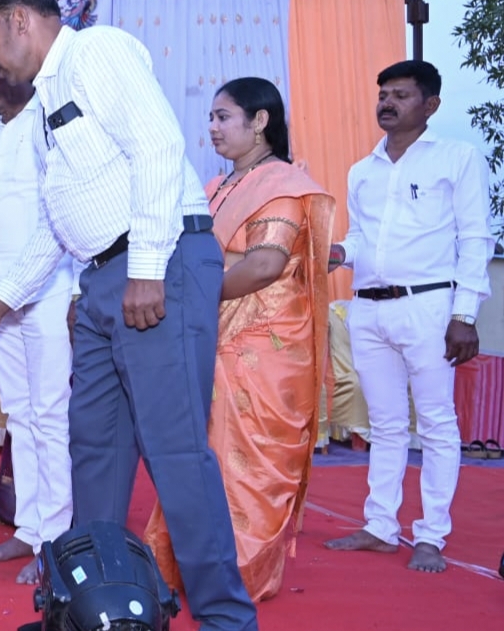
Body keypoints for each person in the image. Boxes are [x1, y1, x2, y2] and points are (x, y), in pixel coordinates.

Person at [0, 0, 258, 630]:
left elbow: (158, 147)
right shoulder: (42, 103)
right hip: (98, 280)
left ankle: (226, 618)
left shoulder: (96, 52)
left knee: (176, 452)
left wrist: (146, 269)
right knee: (94, 450)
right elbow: (54, 222)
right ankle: (93, 608)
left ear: (19, 21)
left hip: (158, 264)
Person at [144, 77, 334, 601]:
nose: (212, 127)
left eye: (223, 117)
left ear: (260, 121)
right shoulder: (213, 186)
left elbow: (266, 264)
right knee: (200, 452)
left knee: (249, 461)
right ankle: (189, 567)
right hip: (211, 331)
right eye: (210, 117)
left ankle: (237, 576)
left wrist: (191, 297)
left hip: (265, 344)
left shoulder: (284, 184)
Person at [323, 60, 492, 573]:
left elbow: (475, 239)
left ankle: (431, 536)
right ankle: (380, 526)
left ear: (431, 104)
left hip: (429, 307)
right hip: (368, 308)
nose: (388, 103)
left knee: (437, 424)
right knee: (386, 424)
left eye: (401, 95)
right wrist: (338, 253)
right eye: (383, 95)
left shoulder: (457, 159)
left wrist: (464, 314)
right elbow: (360, 238)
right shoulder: (362, 170)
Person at [0, 31, 75, 585]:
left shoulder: (49, 124)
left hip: (48, 292)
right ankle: (30, 529)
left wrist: (71, 294)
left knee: (50, 416)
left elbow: (63, 218)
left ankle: (57, 540)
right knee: (20, 416)